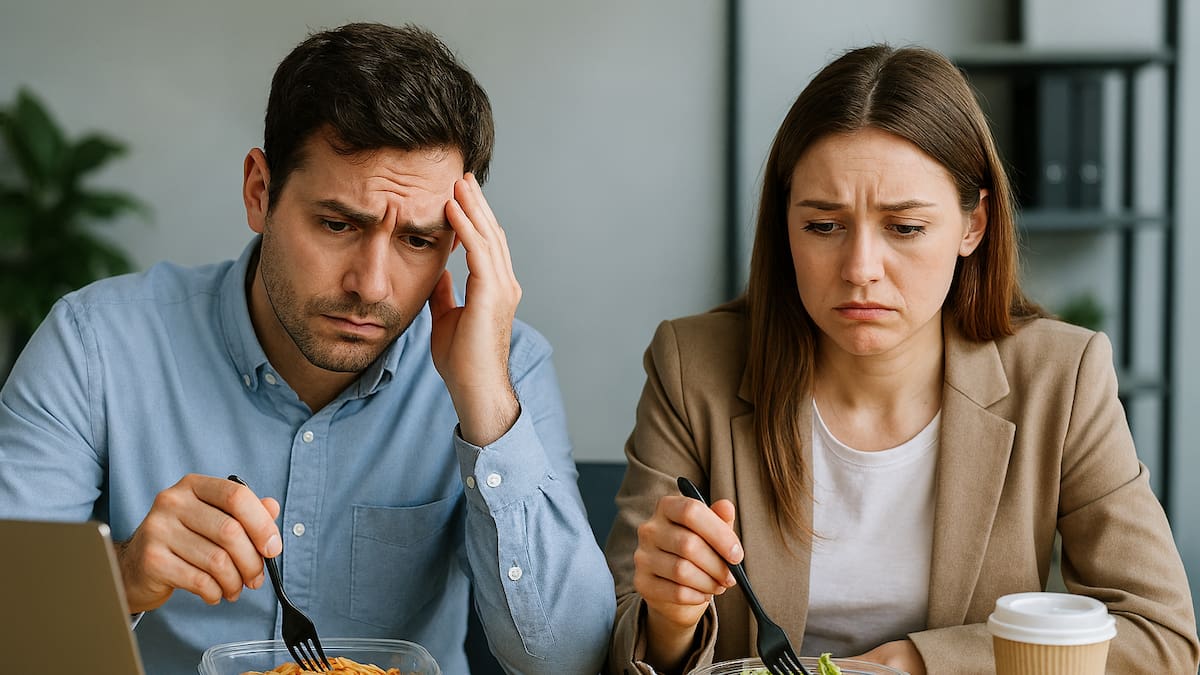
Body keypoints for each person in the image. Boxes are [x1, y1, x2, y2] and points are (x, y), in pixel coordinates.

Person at [0, 22, 614, 675]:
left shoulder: (506, 369)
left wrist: (487, 405)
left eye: (416, 240)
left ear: (459, 242)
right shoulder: (93, 344)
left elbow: (572, 661)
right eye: (337, 224)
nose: (371, 285)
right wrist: (120, 580)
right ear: (259, 192)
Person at [604, 44, 1198, 675]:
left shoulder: (1060, 376)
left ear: (974, 226)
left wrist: (914, 665)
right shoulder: (692, 366)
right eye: (824, 226)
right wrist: (669, 621)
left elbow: (1160, 639)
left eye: (905, 227)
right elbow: (615, 641)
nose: (861, 270)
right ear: (784, 228)